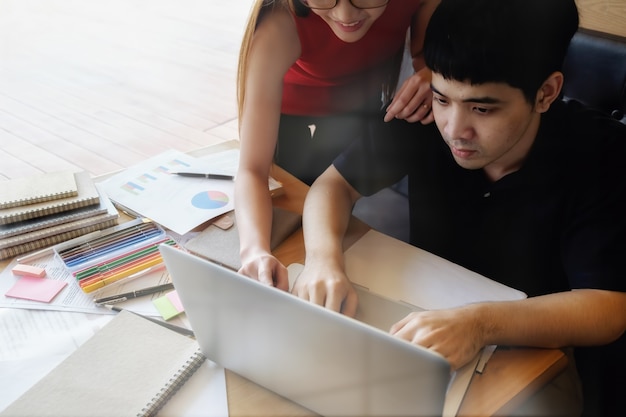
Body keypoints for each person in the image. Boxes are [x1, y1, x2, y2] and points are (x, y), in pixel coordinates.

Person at [294, 0, 626, 415]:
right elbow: (331, 187)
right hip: (426, 324)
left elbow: (608, 307)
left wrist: (478, 324)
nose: (455, 130)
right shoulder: (423, 112)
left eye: (482, 108)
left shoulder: (603, 155)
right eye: (443, 98)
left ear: (546, 93)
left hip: (539, 356)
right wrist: (323, 262)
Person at [234, 0, 440, 290]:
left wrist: (433, 74)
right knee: (294, 237)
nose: (345, 15)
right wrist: (254, 251)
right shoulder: (280, 23)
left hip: (366, 106)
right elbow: (252, 170)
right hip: (296, 125)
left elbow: (423, 54)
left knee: (349, 237)